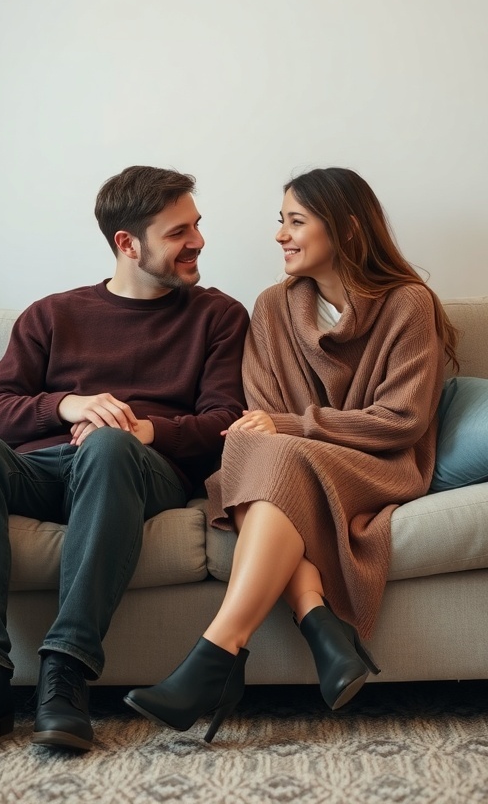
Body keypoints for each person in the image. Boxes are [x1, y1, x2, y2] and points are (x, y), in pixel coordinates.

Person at [124, 166, 458, 742]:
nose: (280, 234)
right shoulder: (273, 307)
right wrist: (277, 430)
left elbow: (400, 421)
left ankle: (218, 652)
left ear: (348, 230)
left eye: (296, 221)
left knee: (267, 455)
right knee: (253, 454)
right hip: (291, 465)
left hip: (377, 465)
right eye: (281, 220)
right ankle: (319, 623)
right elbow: (258, 415)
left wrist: (292, 426)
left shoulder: (408, 304)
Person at [0, 165, 249, 752]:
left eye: (197, 226)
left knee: (110, 445)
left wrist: (146, 429)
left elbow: (228, 421)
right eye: (179, 232)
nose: (198, 242)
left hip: (134, 470)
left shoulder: (218, 316)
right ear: (127, 244)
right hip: (42, 467)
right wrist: (69, 405)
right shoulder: (53, 314)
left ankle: (66, 671)